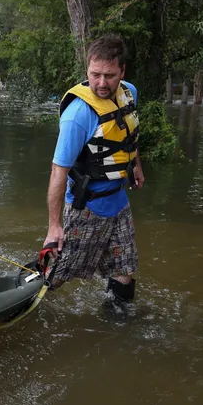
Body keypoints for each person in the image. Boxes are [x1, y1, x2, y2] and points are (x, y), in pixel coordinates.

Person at [43, 33, 144, 307]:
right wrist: (55, 227)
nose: (101, 83)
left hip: (119, 202)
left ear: (122, 71)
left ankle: (117, 325)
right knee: (58, 275)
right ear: (87, 69)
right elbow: (57, 171)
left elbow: (128, 135)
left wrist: (136, 166)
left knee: (124, 270)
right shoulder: (78, 114)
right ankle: (15, 303)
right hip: (87, 208)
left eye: (109, 75)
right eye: (95, 74)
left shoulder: (128, 93)